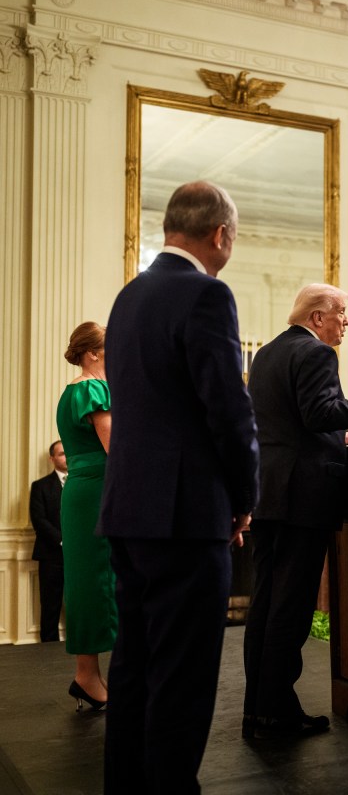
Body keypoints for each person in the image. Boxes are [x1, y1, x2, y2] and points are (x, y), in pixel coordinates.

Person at [100, 181, 260, 794]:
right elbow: (228, 410)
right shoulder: (206, 295)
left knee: (135, 666)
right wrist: (245, 500)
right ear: (220, 234)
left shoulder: (129, 296)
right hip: (185, 516)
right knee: (184, 678)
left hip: (129, 510)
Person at [243, 281, 348, 740]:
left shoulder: (268, 354)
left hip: (272, 493)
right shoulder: (316, 354)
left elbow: (293, 424)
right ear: (318, 317)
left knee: (265, 605)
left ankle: (258, 709)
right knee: (290, 610)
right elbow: (319, 413)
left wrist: (340, 438)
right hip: (303, 498)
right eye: (340, 314)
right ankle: (276, 715)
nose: (346, 323)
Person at [56, 322, 118, 709]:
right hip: (96, 491)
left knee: (94, 582)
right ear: (92, 353)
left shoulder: (72, 391)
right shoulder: (92, 388)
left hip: (88, 491)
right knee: (95, 583)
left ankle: (89, 674)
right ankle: (86, 675)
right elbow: (118, 448)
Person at [29, 440, 67, 643]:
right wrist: (63, 542)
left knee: (81, 606)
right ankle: (47, 649)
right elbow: (39, 521)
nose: (67, 457)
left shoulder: (84, 485)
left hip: (81, 557)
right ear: (52, 458)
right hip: (51, 555)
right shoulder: (40, 486)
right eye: (61, 454)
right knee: (50, 605)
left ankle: (83, 646)